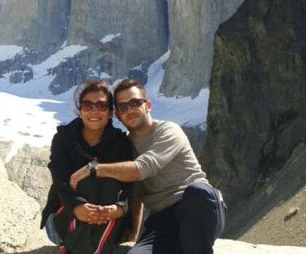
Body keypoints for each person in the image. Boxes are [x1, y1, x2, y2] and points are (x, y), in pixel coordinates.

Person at [70, 78, 227, 254]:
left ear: (148, 105)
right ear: (118, 115)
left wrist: (94, 169)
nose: (130, 110)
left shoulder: (169, 130)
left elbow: (141, 169)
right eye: (123, 107)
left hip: (196, 207)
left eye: (135, 103)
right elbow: (135, 195)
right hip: (163, 220)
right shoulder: (125, 147)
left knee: (199, 192)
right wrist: (133, 237)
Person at [41, 80, 134, 254]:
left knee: (106, 183)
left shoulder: (121, 143)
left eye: (101, 105)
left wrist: (119, 208)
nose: (94, 110)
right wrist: (77, 207)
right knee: (88, 184)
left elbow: (130, 184)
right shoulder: (63, 139)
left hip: (111, 217)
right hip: (65, 219)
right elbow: (60, 179)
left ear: (110, 111)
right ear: (80, 109)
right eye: (88, 105)